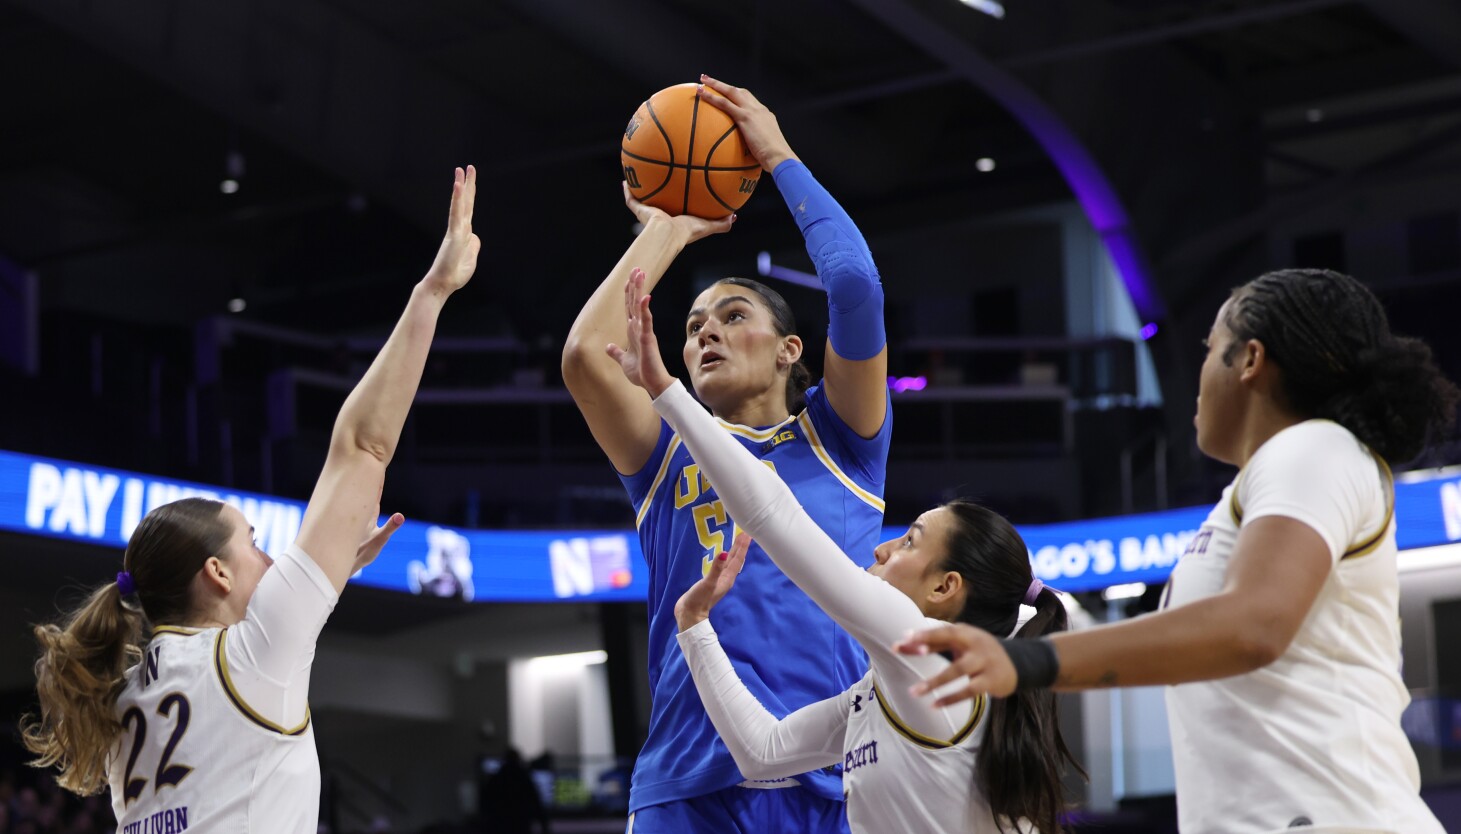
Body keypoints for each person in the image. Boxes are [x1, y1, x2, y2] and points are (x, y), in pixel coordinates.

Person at [896, 269, 1459, 834]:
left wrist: (1029, 661)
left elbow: (1254, 625)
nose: (1199, 372)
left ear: (1250, 360)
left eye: (1211, 349)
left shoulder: (1313, 445)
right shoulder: (1265, 483)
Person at [21, 166, 481, 833]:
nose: (270, 559)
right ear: (217, 572)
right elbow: (362, 444)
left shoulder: (125, 697)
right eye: (255, 544)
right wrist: (433, 290)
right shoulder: (253, 653)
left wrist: (328, 573)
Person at [606, 269, 1083, 833]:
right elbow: (763, 750)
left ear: (944, 587)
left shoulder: (917, 647)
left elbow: (774, 515)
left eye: (909, 540)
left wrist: (665, 392)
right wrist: (694, 628)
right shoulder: (883, 691)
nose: (881, 549)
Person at [561, 76, 893, 833]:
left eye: (733, 315)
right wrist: (668, 229)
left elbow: (855, 285)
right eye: (691, 326)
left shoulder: (842, 440)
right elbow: (585, 356)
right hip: (689, 785)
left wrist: (777, 156)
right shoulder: (666, 449)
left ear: (789, 350)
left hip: (830, 781)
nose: (706, 330)